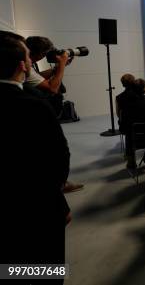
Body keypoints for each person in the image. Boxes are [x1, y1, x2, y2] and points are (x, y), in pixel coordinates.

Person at [0, 35, 71, 273]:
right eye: (28, 56)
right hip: (38, 205)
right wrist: (59, 201)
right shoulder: (33, 106)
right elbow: (59, 158)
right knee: (47, 266)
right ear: (23, 65)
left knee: (12, 265)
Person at [24, 36, 70, 115]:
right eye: (45, 53)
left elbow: (40, 77)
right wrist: (61, 64)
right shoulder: (24, 66)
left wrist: (59, 67)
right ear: (41, 53)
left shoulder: (27, 63)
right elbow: (52, 88)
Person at [120, 78, 145, 169]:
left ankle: (131, 162)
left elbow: (124, 122)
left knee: (129, 132)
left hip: (134, 138)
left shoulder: (127, 104)